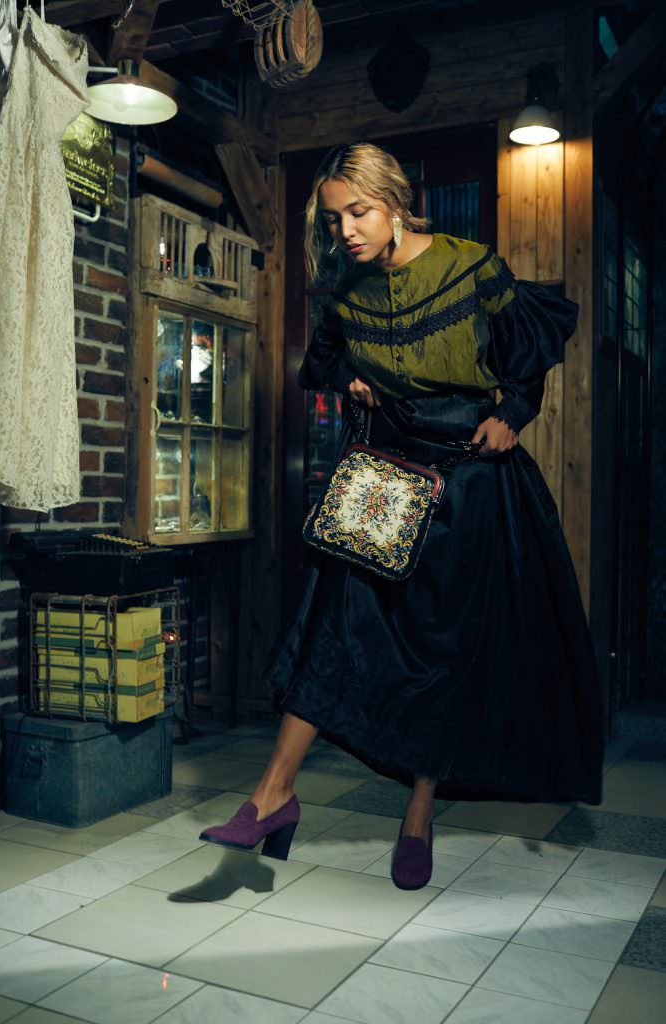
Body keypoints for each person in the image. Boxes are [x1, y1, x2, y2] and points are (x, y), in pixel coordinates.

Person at [199, 142, 605, 889]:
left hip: (469, 476)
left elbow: (528, 354)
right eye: (333, 218)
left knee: (443, 644)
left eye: (358, 212)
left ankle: (418, 814)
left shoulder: (470, 267)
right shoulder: (347, 289)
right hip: (384, 475)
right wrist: (351, 377)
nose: (345, 230)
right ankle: (271, 796)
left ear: (394, 202)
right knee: (334, 618)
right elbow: (320, 363)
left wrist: (512, 413)